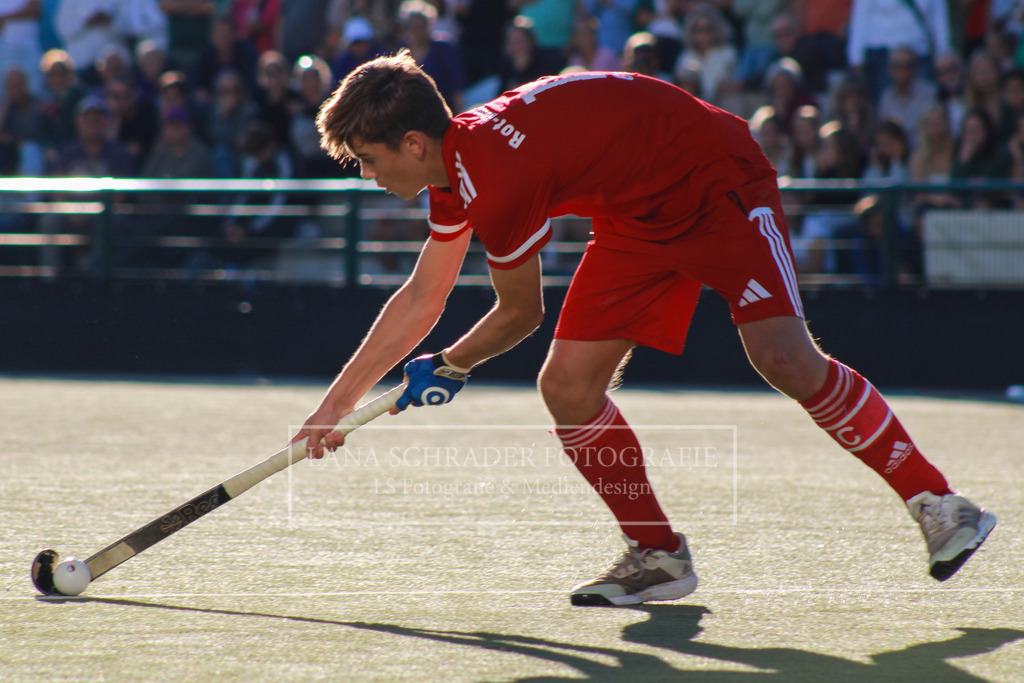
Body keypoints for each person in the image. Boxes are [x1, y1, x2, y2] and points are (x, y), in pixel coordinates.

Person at [294, 52, 997, 606]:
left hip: (714, 181)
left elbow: (520, 312)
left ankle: (940, 503)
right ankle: (658, 555)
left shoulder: (496, 175)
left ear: (413, 142)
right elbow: (423, 296)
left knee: (783, 356)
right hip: (637, 215)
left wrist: (451, 362)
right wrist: (334, 405)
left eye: (368, 159)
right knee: (568, 386)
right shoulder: (455, 168)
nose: (368, 175)